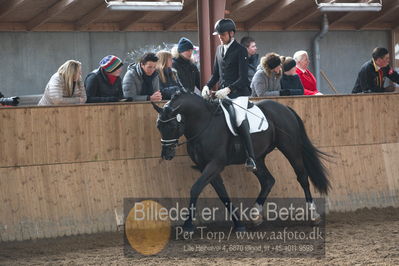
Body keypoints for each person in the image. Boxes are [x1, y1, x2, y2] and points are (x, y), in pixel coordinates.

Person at [201, 18, 256, 171]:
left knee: (238, 118)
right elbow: (216, 74)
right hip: (223, 93)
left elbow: (244, 78)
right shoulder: (219, 50)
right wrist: (207, 86)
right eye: (218, 34)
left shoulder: (240, 50)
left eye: (222, 34)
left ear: (231, 33)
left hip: (239, 93)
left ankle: (251, 157)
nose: (220, 37)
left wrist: (229, 89)